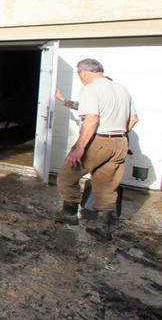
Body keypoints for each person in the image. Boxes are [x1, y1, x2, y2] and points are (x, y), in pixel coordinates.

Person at [54, 59, 138, 240]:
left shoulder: (90, 89)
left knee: (68, 175)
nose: (80, 79)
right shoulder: (121, 89)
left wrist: (79, 149)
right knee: (106, 185)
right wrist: (119, 135)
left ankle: (69, 215)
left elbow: (91, 119)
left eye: (79, 75)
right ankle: (103, 227)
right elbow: (134, 118)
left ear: (83, 72)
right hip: (120, 141)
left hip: (98, 141)